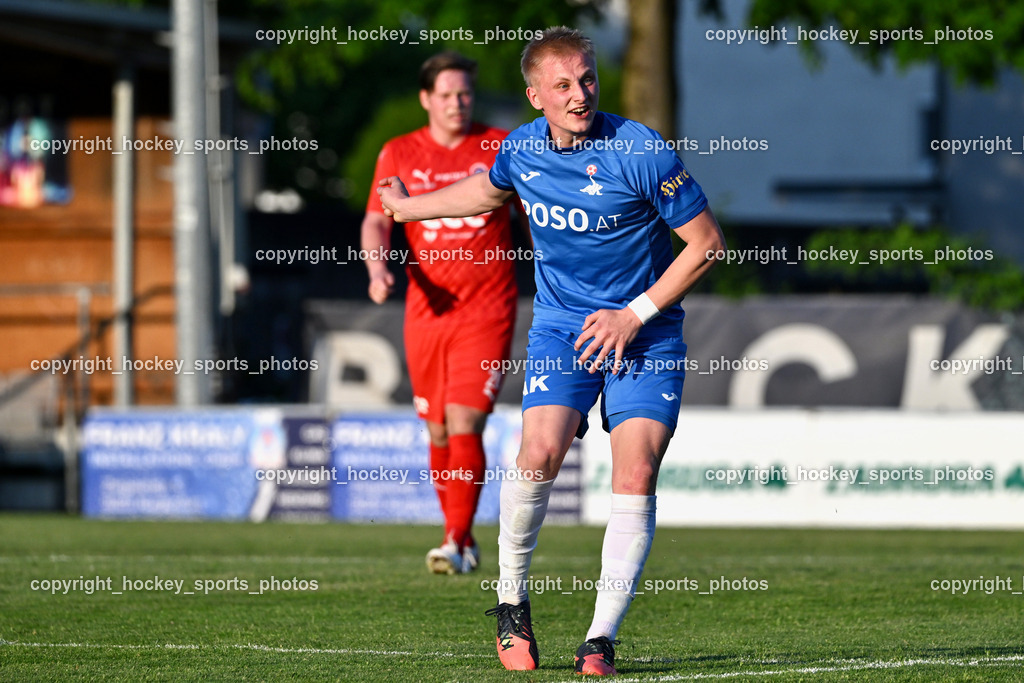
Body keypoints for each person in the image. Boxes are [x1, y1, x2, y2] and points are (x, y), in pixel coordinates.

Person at [378, 27, 725, 676]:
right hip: (563, 327)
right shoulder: (521, 149)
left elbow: (706, 243)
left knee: (637, 473)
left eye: (588, 79)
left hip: (644, 332)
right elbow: (487, 191)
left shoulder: (640, 149)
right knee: (537, 454)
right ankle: (511, 599)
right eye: (563, 85)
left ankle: (600, 638)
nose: (580, 94)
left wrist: (634, 314)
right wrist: (410, 209)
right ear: (536, 95)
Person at [360, 51, 518, 575]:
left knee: (465, 418)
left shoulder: (499, 145)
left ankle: (454, 539)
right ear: (427, 98)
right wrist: (378, 269)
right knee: (437, 430)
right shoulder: (398, 152)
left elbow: (538, 214)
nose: (458, 102)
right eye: (447, 94)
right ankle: (464, 539)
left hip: (487, 307)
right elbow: (377, 221)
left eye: (465, 93)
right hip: (426, 311)